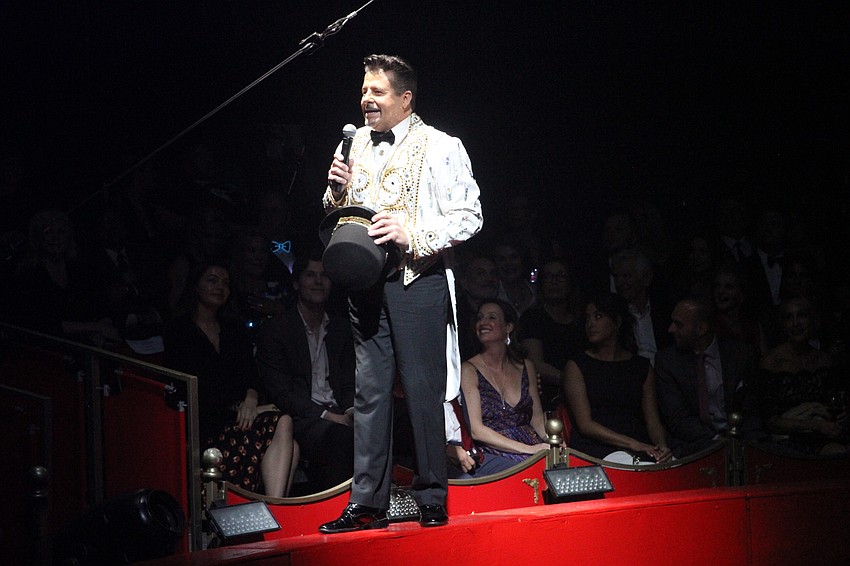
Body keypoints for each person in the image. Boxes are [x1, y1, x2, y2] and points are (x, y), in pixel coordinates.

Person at [318, 54, 483, 533]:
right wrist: (335, 191)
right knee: (369, 394)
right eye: (363, 91)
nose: (366, 100)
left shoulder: (442, 145)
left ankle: (432, 494)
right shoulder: (354, 142)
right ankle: (367, 502)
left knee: (421, 391)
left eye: (377, 92)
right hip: (365, 284)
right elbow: (336, 211)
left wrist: (414, 235)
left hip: (417, 281)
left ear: (405, 98)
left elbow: (470, 215)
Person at [162, 261, 299, 497]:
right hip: (205, 424)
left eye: (225, 283)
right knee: (288, 438)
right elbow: (195, 390)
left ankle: (272, 507)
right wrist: (244, 408)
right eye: (212, 280)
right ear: (195, 286)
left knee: (287, 432)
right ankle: (273, 508)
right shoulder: (179, 330)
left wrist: (252, 398)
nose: (220, 287)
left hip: (241, 417)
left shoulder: (233, 328)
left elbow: (251, 373)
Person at [256, 249, 356, 492]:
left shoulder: (341, 328)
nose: (318, 281)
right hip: (302, 417)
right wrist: (331, 417)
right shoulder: (278, 329)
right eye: (311, 275)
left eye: (324, 275)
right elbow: (283, 393)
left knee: (382, 425)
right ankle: (334, 508)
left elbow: (349, 381)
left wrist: (351, 410)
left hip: (339, 411)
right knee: (340, 438)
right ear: (296, 283)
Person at [563, 293, 672, 463]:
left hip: (640, 444)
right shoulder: (577, 365)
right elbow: (585, 424)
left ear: (617, 322)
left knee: (673, 467)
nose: (590, 324)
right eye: (587, 318)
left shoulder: (641, 366)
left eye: (598, 316)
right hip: (597, 447)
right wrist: (632, 444)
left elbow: (653, 420)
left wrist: (662, 446)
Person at [655, 296, 758, 457]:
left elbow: (752, 408)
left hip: (741, 439)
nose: (671, 329)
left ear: (701, 329)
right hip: (694, 444)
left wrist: (743, 441)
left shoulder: (740, 355)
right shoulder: (667, 361)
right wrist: (718, 441)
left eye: (678, 324)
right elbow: (677, 418)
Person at [753, 296, 847, 456]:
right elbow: (770, 421)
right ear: (783, 324)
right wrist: (814, 425)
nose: (795, 323)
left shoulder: (825, 360)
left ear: (812, 320)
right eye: (789, 317)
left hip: (824, 435)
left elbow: (835, 404)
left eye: (802, 315)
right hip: (787, 441)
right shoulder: (771, 362)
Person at [461, 299, 550, 464]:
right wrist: (528, 450)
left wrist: (550, 442)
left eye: (492, 317)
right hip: (496, 451)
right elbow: (476, 430)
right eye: (480, 318)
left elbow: (537, 418)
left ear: (508, 327)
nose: (483, 322)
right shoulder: (469, 370)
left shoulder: (526, 366)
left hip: (532, 444)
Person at [519, 256, 584, 410]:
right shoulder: (532, 318)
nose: (554, 282)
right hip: (547, 396)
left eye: (560, 276)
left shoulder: (582, 320)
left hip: (583, 394)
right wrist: (572, 382)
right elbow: (535, 363)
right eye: (548, 277)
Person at [610, 248, 674, 365]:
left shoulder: (665, 309)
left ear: (646, 278)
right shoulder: (614, 314)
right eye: (616, 277)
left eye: (626, 276)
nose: (619, 283)